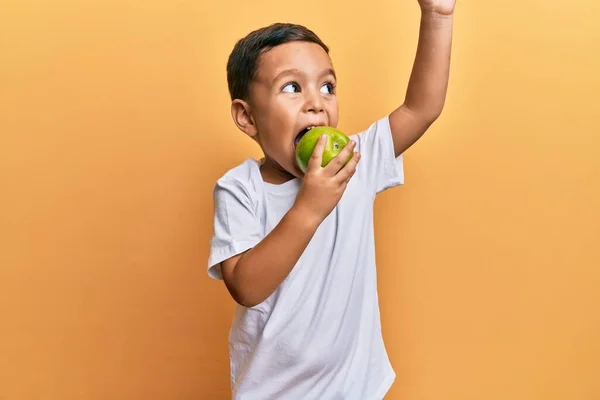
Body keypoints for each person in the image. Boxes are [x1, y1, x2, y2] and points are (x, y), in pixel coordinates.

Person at [207, 0, 455, 398]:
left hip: (355, 387)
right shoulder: (240, 188)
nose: (316, 102)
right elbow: (246, 287)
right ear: (247, 117)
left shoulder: (352, 160)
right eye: (292, 87)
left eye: (328, 86)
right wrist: (310, 206)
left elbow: (421, 108)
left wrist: (438, 16)